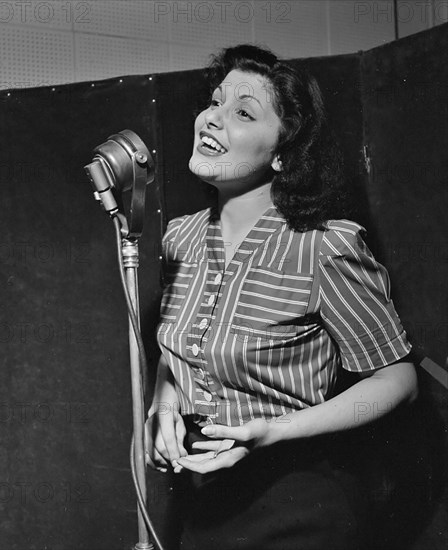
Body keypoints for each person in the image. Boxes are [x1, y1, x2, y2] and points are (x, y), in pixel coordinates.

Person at [145, 44, 418, 550]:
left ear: (282, 154)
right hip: (205, 505)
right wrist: (164, 403)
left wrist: (272, 430)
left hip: (301, 504)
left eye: (242, 112)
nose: (211, 119)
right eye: (215, 101)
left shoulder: (326, 245)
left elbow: (399, 380)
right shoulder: (178, 240)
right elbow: (177, 348)